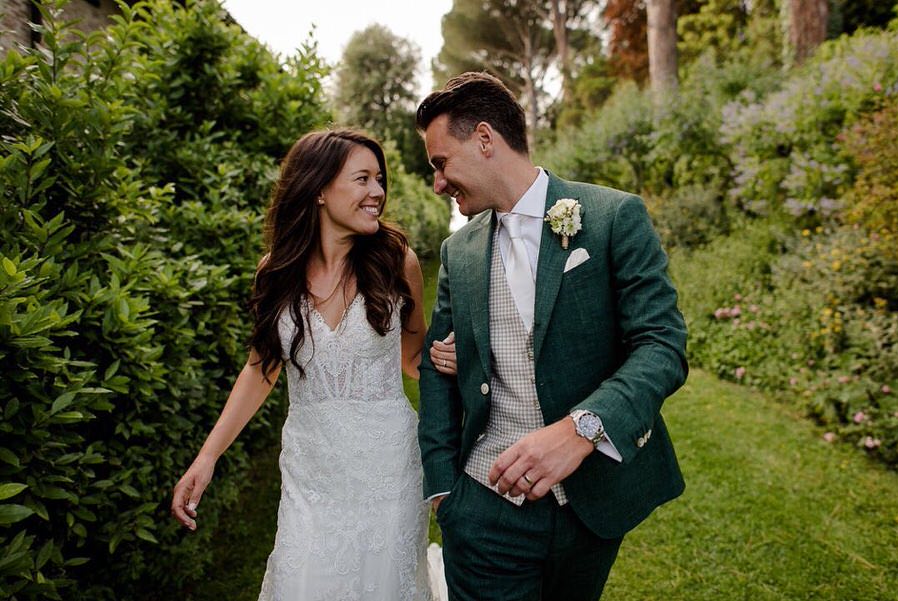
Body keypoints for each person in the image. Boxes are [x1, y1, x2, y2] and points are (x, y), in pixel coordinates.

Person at [418, 72, 689, 600]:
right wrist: (444, 489)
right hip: (483, 510)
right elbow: (436, 364)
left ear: (484, 139)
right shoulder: (459, 252)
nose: (438, 183)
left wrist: (582, 429)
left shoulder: (613, 217)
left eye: (440, 162)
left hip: (591, 509)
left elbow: (662, 345)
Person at [171, 129, 456, 601]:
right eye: (362, 179)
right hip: (311, 472)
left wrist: (444, 359)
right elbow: (260, 370)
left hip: (389, 469)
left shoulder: (396, 262)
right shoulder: (275, 272)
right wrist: (207, 456)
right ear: (319, 189)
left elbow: (413, 358)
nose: (378, 192)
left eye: (379, 180)